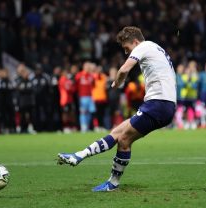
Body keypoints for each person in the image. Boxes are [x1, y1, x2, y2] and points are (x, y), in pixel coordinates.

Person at [57, 26, 176, 192]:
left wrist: (117, 82)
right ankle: (79, 155)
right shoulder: (156, 48)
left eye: (127, 48)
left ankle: (112, 183)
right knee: (117, 132)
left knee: (124, 139)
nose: (127, 52)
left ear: (135, 41)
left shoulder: (143, 46)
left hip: (159, 103)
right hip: (162, 104)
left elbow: (124, 69)